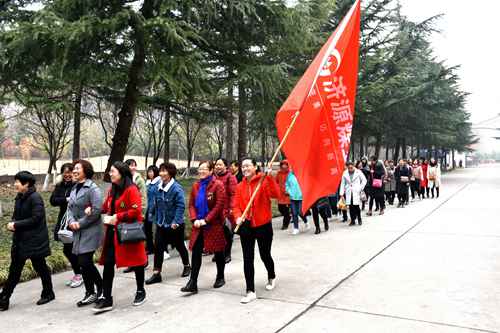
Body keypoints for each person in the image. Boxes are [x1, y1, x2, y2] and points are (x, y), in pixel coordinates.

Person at [94, 162, 147, 313]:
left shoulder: (132, 189)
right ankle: (107, 298)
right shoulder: (112, 189)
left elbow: (135, 212)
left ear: (122, 173)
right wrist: (93, 208)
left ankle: (140, 291)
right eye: (110, 171)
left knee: (136, 262)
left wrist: (118, 216)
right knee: (109, 263)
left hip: (129, 232)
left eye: (112, 171)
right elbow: (105, 206)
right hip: (113, 233)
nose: (110, 174)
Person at [0, 171, 54, 311]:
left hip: (34, 241)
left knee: (40, 268)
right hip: (21, 240)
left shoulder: (35, 198)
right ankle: (4, 298)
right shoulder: (20, 197)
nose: (15, 184)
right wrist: (13, 223)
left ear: (26, 183)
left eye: (17, 181)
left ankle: (48, 293)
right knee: (15, 270)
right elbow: (16, 216)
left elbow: (36, 219)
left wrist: (16, 225)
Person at [233, 158, 279, 304]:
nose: (245, 168)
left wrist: (270, 177)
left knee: (265, 254)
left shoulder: (263, 181)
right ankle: (250, 290)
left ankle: (271, 275)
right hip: (246, 226)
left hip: (263, 225)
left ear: (255, 167)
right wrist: (237, 217)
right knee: (248, 258)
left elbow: (276, 194)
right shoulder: (240, 186)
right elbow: (236, 205)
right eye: (243, 166)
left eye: (248, 166)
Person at [181, 161, 227, 294]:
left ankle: (220, 276)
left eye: (204, 169)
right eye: (199, 169)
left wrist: (206, 220)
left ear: (211, 170)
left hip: (214, 224)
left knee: (218, 251)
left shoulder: (217, 185)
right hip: (198, 224)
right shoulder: (196, 186)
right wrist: (194, 219)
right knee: (196, 251)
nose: (201, 171)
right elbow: (191, 205)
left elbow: (219, 205)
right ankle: (193, 282)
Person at [146, 162, 191, 285]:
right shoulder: (157, 187)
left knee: (179, 246)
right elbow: (154, 202)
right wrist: (151, 214)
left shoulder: (176, 188)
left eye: (165, 171)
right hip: (161, 224)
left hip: (175, 225)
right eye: (160, 171)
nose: (162, 173)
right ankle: (156, 274)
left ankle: (187, 265)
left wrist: (176, 221)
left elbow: (180, 206)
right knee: (158, 248)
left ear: (171, 173)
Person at [67, 160, 104, 307]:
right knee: (83, 264)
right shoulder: (75, 187)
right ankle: (89, 293)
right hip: (77, 230)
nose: (74, 171)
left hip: (90, 230)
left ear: (85, 171)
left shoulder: (93, 189)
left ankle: (101, 288)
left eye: (77, 168)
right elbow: (69, 207)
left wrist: (80, 223)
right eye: (74, 168)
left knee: (84, 261)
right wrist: (71, 221)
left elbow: (96, 211)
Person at [50, 163, 82, 288]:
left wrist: (67, 199)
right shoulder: (60, 185)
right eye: (65, 172)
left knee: (71, 249)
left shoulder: (77, 185)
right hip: (64, 220)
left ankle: (79, 274)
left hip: (74, 219)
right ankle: (79, 273)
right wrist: (66, 199)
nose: (67, 175)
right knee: (68, 249)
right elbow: (53, 201)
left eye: (70, 172)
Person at [124, 159, 148, 273]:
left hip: (137, 213)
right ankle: (132, 263)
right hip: (127, 214)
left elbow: (143, 197)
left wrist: (142, 213)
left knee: (137, 238)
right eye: (130, 165)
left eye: (134, 165)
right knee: (129, 239)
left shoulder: (139, 180)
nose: (132, 168)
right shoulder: (125, 180)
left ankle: (143, 260)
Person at [214, 158, 237, 263]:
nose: (218, 167)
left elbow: (233, 194)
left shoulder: (230, 178)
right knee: (217, 233)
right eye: (216, 165)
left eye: (220, 165)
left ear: (225, 166)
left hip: (227, 211)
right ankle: (218, 253)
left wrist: (232, 208)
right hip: (215, 211)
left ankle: (227, 254)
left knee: (227, 233)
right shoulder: (213, 177)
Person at [339, 162, 367, 226]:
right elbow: (342, 183)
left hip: (356, 191)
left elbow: (364, 180)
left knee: (356, 206)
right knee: (350, 207)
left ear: (354, 166)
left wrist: (360, 188)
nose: (350, 169)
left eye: (351, 168)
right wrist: (341, 193)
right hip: (348, 191)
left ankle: (359, 219)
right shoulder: (345, 173)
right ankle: (352, 220)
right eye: (349, 168)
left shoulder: (358, 172)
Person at [286, 169, 310, 235]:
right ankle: (296, 228)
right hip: (292, 197)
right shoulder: (290, 175)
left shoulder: (302, 173)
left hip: (301, 197)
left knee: (300, 212)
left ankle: (306, 221)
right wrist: (289, 191)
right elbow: (287, 184)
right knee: (294, 213)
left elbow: (306, 183)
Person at [145, 165, 161, 254]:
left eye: (152, 171)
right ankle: (150, 247)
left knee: (158, 229)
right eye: (149, 171)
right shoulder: (147, 182)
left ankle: (161, 247)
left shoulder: (159, 181)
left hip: (156, 208)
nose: (150, 173)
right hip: (147, 208)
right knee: (147, 229)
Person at [275, 160, 291, 230]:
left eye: (285, 164)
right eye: (282, 164)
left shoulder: (290, 174)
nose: (284, 166)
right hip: (280, 195)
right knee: (280, 208)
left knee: (286, 211)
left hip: (287, 195)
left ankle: (285, 224)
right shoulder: (279, 173)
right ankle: (288, 217)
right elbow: (276, 181)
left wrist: (289, 190)